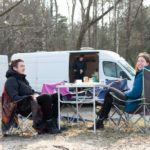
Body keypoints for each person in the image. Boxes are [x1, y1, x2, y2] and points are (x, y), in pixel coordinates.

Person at [92, 52, 150, 129]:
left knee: (110, 90)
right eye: (138, 61)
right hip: (143, 103)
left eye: (142, 61)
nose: (139, 63)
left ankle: (101, 118)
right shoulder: (147, 73)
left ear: (147, 63)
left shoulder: (142, 74)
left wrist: (125, 92)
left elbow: (135, 93)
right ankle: (101, 118)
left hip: (134, 102)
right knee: (112, 94)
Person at [3, 59, 61, 134]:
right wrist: (30, 96)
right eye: (21, 66)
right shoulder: (11, 81)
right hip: (23, 106)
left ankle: (54, 123)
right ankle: (50, 126)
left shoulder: (23, 79)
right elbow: (15, 98)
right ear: (15, 68)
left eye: (24, 66)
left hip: (31, 102)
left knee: (56, 96)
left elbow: (31, 91)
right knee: (46, 97)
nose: (24, 68)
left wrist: (37, 94)